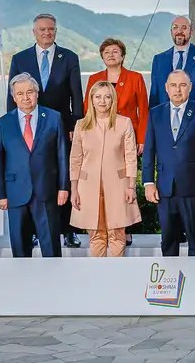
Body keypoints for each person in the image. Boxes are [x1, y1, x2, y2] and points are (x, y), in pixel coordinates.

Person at [7, 13, 84, 248]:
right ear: (34, 32)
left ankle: (68, 230)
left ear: (56, 31)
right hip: (29, 127)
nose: (47, 33)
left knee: (63, 176)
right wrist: (13, 128)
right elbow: (13, 97)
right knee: (32, 176)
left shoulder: (69, 58)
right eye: (42, 29)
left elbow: (77, 97)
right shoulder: (20, 58)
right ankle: (32, 231)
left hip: (61, 128)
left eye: (51, 29)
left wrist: (75, 126)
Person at [142, 70, 195, 257]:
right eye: (174, 85)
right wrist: (148, 182)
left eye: (183, 85)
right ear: (166, 88)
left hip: (193, 187)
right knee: (168, 238)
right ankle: (170, 280)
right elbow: (149, 151)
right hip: (164, 188)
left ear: (190, 87)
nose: (178, 90)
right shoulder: (156, 113)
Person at [0, 73, 70, 257]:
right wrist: (0, 194)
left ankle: (52, 283)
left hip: (46, 191)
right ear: (13, 97)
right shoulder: (3, 123)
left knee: (51, 247)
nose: (25, 97)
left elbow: (62, 156)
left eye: (30, 92)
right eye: (20, 94)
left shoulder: (53, 118)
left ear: (37, 93)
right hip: (15, 194)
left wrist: (63, 187)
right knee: (20, 249)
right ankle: (22, 285)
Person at [71, 80, 143, 257]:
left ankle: (117, 277)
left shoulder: (124, 123)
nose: (102, 101)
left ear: (113, 100)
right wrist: (74, 189)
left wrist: (131, 186)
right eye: (98, 97)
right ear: (91, 99)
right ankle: (99, 279)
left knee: (118, 235)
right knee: (96, 236)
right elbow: (75, 159)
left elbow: (131, 157)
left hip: (119, 186)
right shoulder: (81, 125)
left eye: (107, 97)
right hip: (88, 187)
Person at [85, 38, 149, 152]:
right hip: (99, 133)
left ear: (123, 56)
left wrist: (142, 139)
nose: (110, 55)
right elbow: (87, 108)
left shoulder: (135, 78)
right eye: (106, 52)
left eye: (115, 51)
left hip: (128, 133)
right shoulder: (94, 79)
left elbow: (144, 111)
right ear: (102, 57)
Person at [151, 15, 195, 108]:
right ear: (171, 32)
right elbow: (154, 96)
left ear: (191, 32)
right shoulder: (159, 60)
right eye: (175, 27)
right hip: (165, 119)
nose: (179, 31)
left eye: (184, 28)